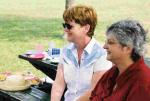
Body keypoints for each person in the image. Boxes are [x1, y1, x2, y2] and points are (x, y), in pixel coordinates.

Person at [51, 5, 112, 101]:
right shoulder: (66, 51)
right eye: (64, 25)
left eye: (69, 26)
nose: (65, 29)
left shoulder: (101, 54)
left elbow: (95, 92)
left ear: (86, 28)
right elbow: (58, 85)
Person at [90, 20, 150, 101]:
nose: (104, 46)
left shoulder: (142, 84)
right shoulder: (113, 72)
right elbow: (94, 96)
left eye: (110, 42)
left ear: (127, 48)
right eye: (106, 42)